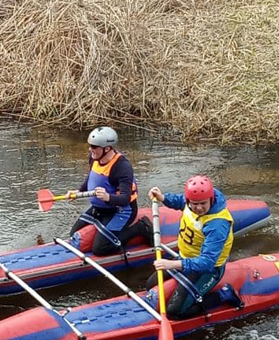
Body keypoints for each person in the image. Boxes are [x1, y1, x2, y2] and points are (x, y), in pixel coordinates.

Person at [147, 175, 233, 319]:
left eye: (203, 203)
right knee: (150, 284)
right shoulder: (189, 202)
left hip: (209, 269)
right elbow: (180, 201)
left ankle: (223, 295)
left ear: (211, 199)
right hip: (186, 258)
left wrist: (172, 264)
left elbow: (206, 263)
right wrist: (163, 197)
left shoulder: (217, 224)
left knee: (174, 312)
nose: (199, 208)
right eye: (194, 204)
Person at [68, 126, 152, 256]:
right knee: (72, 234)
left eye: (94, 147)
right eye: (90, 146)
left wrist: (108, 197)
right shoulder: (94, 157)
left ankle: (140, 228)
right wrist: (78, 192)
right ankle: (104, 228)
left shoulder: (122, 167)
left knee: (100, 249)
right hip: (101, 208)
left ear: (107, 148)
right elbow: (92, 178)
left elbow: (125, 198)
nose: (90, 149)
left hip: (122, 210)